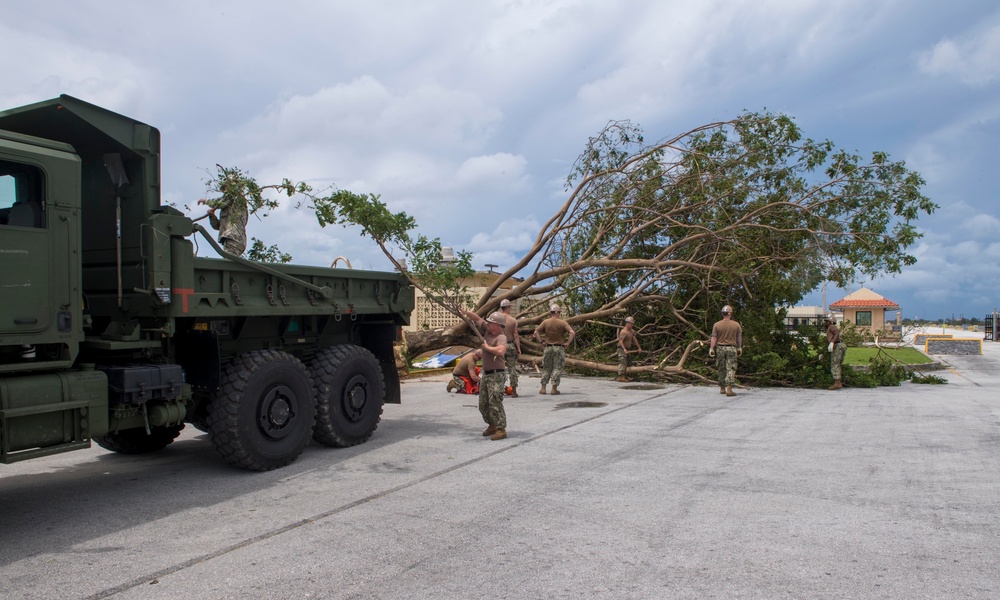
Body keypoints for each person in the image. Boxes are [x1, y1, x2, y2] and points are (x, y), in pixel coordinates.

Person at [460, 309, 510, 440]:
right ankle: (492, 424)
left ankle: (501, 429)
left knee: (495, 402)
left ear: (498, 325)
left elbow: (501, 350)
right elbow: (477, 319)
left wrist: (487, 348)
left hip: (497, 375)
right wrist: (466, 313)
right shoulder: (488, 331)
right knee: (483, 404)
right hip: (486, 375)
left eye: (491, 322)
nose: (487, 323)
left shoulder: (501, 337)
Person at [197, 174, 248, 256]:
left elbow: (220, 203)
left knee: (228, 264)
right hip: (229, 239)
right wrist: (212, 216)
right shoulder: (229, 207)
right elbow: (218, 226)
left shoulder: (236, 197)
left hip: (234, 238)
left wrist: (206, 201)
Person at [533, 304, 575, 395]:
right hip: (558, 348)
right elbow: (572, 333)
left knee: (546, 368)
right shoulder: (562, 323)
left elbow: (536, 332)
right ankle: (554, 388)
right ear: (557, 312)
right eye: (559, 312)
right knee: (557, 367)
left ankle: (543, 388)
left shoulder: (545, 322)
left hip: (547, 348)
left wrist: (541, 342)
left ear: (551, 312)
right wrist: (567, 343)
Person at [708, 305, 742, 397]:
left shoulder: (717, 324)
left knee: (721, 367)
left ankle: (722, 388)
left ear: (722, 313)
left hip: (720, 348)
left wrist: (711, 348)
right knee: (730, 368)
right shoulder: (736, 325)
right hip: (731, 348)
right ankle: (729, 389)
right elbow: (738, 338)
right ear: (730, 313)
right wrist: (739, 347)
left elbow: (714, 338)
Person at [499, 298, 522, 397]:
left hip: (499, 345)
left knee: (499, 368)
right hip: (509, 344)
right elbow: (516, 335)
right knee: (512, 369)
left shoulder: (496, 319)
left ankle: (499, 389)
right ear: (508, 307)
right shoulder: (513, 320)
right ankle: (514, 391)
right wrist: (518, 348)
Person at [616, 316, 642, 382]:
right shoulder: (623, 332)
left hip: (628, 349)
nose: (632, 325)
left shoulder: (631, 331)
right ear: (627, 323)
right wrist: (624, 349)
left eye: (632, 324)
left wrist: (639, 347)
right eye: (631, 323)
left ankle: (627, 376)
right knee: (623, 361)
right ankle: (621, 376)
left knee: (629, 363)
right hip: (621, 349)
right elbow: (620, 341)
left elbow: (634, 339)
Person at [825, 316, 846, 390]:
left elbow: (836, 333)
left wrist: (832, 342)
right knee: (838, 363)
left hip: (837, 345)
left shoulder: (832, 326)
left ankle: (837, 383)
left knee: (835, 363)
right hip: (840, 345)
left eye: (826, 321)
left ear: (830, 322)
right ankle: (839, 381)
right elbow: (826, 342)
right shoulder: (829, 329)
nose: (825, 323)